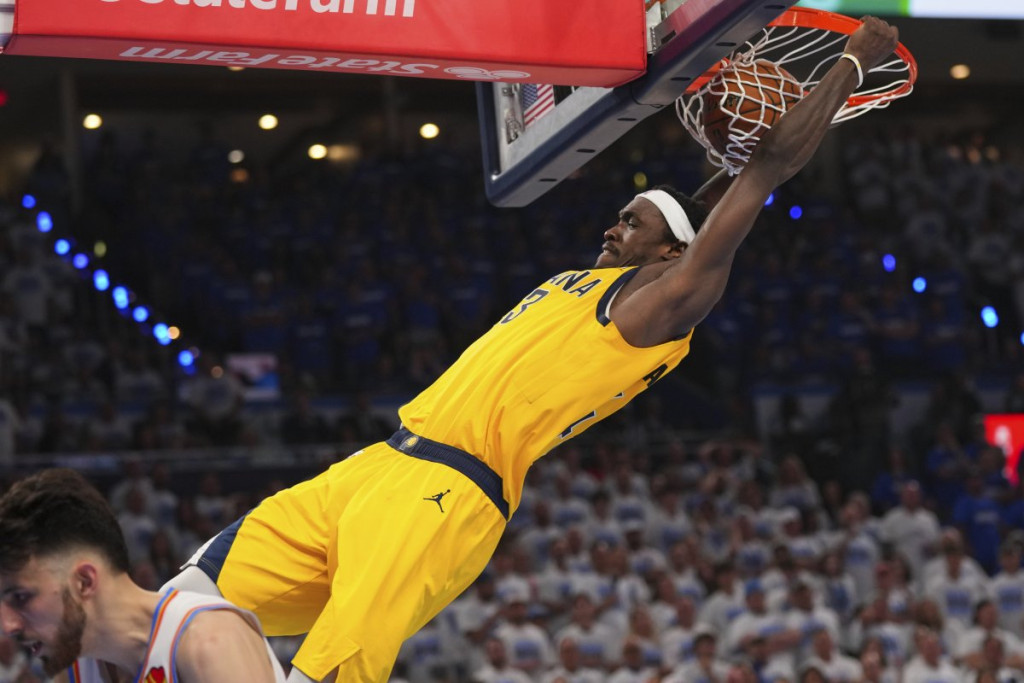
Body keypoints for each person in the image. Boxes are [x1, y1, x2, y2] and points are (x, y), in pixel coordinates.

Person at [168, 17, 902, 683]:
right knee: (186, 596)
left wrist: (849, 63)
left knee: (326, 671)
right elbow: (718, 191)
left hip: (449, 488)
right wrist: (730, 150)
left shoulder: (659, 307)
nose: (612, 228)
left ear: (673, 252)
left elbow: (766, 171)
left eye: (631, 222)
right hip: (378, 462)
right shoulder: (593, 279)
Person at [0, 469, 285, 683]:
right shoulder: (74, 668)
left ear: (84, 582)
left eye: (21, 598)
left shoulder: (209, 643)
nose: (8, 625)